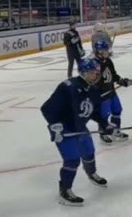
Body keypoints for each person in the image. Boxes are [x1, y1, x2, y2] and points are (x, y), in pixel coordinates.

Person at [40, 57, 110, 206]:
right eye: (93, 72)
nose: (97, 75)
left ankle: (91, 173)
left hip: (79, 128)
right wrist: (55, 125)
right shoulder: (68, 87)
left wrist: (105, 124)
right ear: (83, 72)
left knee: (89, 151)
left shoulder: (92, 89)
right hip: (64, 129)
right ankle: (65, 191)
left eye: (97, 72)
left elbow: (93, 111)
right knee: (72, 160)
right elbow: (46, 108)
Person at [93, 40, 132, 143]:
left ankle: (115, 131)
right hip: (102, 94)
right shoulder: (94, 64)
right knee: (104, 114)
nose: (107, 51)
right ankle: (103, 132)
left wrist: (121, 81)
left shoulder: (108, 61)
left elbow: (113, 75)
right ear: (99, 51)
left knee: (117, 110)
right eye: (105, 50)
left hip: (111, 91)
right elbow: (92, 80)